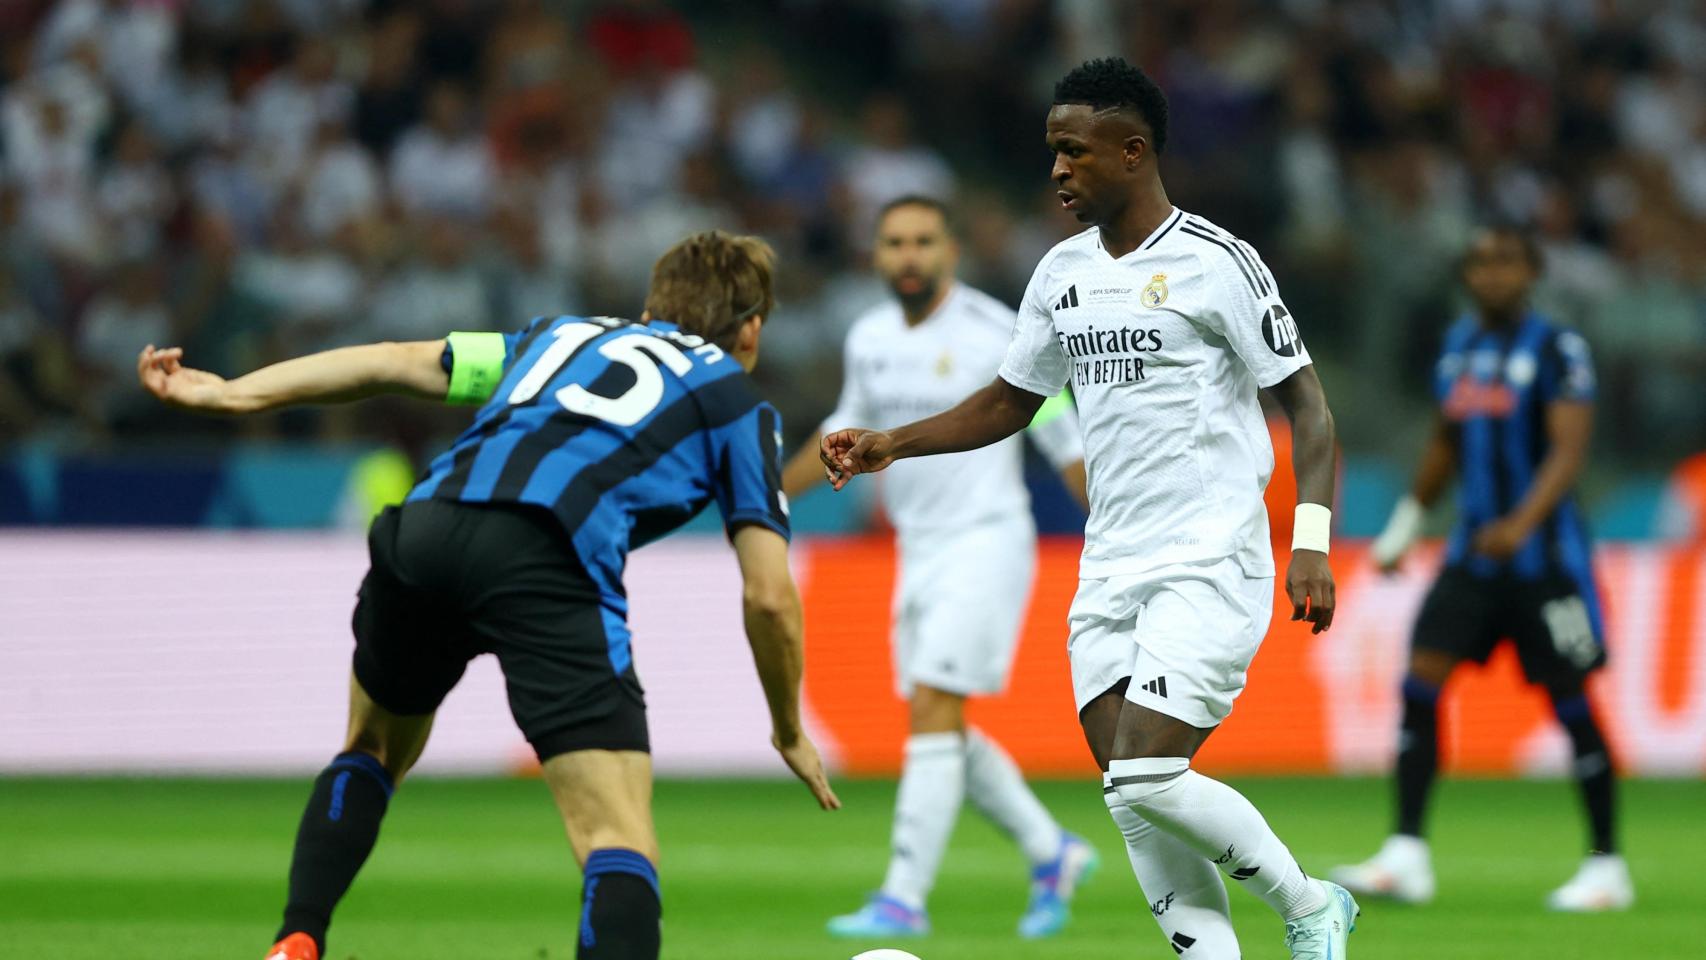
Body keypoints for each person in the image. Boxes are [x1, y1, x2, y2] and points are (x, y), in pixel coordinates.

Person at [136, 230, 840, 960]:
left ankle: (296, 940)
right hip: (545, 549)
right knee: (614, 832)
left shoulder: (557, 337)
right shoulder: (738, 404)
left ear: (653, 303)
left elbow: (396, 361)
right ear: (752, 327)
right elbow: (767, 596)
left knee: (372, 747)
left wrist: (232, 391)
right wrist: (787, 726)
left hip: (428, 526)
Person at [820, 58, 1358, 959]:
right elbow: (1008, 404)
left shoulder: (1216, 262)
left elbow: (1309, 406)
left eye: (1074, 152)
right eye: (1053, 154)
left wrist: (1312, 540)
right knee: (1128, 787)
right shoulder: (1060, 274)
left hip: (1211, 554)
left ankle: (1309, 907)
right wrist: (889, 443)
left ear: (1133, 151)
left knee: (1148, 771)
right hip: (1109, 562)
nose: (1058, 171)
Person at [781, 195, 1095, 940]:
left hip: (986, 539)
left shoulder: (994, 330)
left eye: (924, 240)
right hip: (917, 548)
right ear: (877, 255)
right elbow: (841, 432)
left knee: (932, 706)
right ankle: (1052, 853)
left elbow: (1057, 433)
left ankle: (902, 896)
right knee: (940, 721)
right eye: (894, 242)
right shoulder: (869, 337)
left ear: (951, 249)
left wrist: (1114, 519)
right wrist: (763, 494)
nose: (910, 255)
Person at [1332, 226, 1632, 912]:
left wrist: (1522, 525)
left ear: (1532, 271)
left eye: (1504, 262)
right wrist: (1408, 523)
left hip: (1545, 562)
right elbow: (1445, 440)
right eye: (1477, 263)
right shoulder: (1460, 347)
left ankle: (1607, 865)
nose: (1489, 274)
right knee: (1419, 682)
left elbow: (1567, 451)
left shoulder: (1559, 349)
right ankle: (1406, 853)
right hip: (1473, 557)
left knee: (1572, 700)